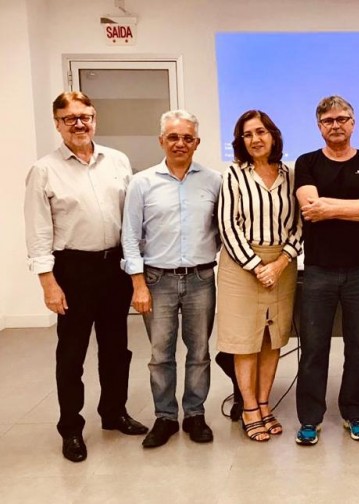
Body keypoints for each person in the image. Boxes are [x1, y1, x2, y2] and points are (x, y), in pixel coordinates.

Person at [23, 91, 147, 463]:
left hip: (114, 267)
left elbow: (132, 219)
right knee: (71, 353)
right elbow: (38, 231)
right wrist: (48, 282)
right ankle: (71, 428)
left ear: (94, 119)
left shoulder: (118, 161)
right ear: (57, 123)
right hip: (72, 269)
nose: (79, 124)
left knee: (116, 349)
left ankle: (114, 412)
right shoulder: (44, 170)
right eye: (70, 118)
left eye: (85, 117)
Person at [121, 110, 221, 448]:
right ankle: (165, 417)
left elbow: (223, 229)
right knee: (160, 354)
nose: (180, 143)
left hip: (201, 279)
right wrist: (138, 284)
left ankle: (194, 414)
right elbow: (130, 236)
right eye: (173, 137)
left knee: (200, 351)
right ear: (161, 140)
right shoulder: (142, 182)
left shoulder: (214, 181)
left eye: (187, 138)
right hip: (156, 280)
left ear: (197, 142)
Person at [294, 96, 359, 446]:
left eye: (342, 118)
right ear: (319, 126)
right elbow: (309, 207)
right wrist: (356, 207)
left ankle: (354, 414)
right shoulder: (307, 162)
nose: (336, 125)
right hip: (318, 271)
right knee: (314, 349)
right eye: (329, 120)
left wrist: (329, 208)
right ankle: (310, 419)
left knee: (358, 348)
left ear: (353, 123)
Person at [217, 110, 302, 442]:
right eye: (247, 134)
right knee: (245, 340)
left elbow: (300, 224)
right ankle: (249, 408)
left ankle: (265, 404)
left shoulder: (290, 175)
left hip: (282, 264)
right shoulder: (234, 175)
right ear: (241, 141)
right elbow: (228, 226)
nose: (255, 139)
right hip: (241, 267)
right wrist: (256, 266)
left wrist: (279, 263)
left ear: (273, 135)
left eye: (261, 132)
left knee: (272, 338)